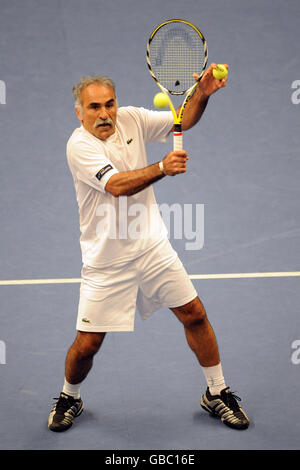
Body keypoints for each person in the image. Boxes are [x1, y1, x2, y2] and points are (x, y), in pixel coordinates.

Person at [48, 64, 250, 432]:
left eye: (109, 104)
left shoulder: (132, 119)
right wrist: (162, 167)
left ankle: (217, 392)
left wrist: (202, 93)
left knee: (194, 314)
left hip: (152, 247)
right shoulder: (79, 146)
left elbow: (182, 121)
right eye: (94, 107)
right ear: (79, 112)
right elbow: (117, 185)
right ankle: (69, 396)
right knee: (88, 343)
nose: (105, 113)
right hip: (106, 262)